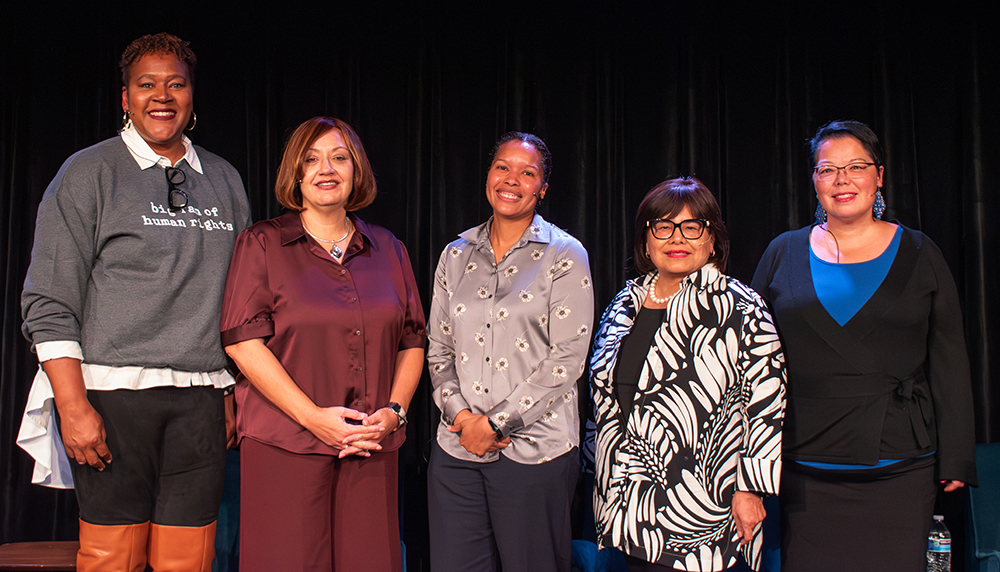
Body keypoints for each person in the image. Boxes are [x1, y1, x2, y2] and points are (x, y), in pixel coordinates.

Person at [18, 33, 251, 571]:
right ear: (126, 97)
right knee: (111, 557)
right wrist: (73, 406)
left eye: (176, 83)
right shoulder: (88, 173)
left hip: (200, 401)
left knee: (188, 558)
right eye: (146, 84)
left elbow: (239, 301)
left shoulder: (223, 179)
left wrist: (229, 391)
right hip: (111, 397)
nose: (161, 96)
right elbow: (49, 299)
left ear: (192, 96)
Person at [751, 120, 978, 571]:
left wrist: (956, 454)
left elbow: (949, 357)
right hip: (804, 466)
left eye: (855, 167)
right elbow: (750, 360)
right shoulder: (783, 252)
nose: (842, 180)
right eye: (827, 169)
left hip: (899, 463)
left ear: (879, 175)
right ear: (814, 181)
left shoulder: (920, 252)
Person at [220, 116, 425, 572]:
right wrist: (314, 419)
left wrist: (394, 414)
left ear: (357, 171)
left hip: (369, 444)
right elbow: (242, 343)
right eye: (311, 159)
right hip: (284, 444)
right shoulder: (262, 244)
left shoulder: (388, 248)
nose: (325, 169)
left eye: (338, 158)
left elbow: (412, 341)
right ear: (295, 173)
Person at [590, 177, 785, 572]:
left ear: (712, 240)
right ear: (647, 239)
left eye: (692, 226)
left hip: (707, 513)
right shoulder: (623, 304)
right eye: (663, 226)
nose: (676, 237)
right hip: (632, 511)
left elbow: (767, 401)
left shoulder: (740, 305)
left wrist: (751, 488)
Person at [426, 132, 594, 572]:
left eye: (527, 172)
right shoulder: (455, 254)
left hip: (534, 453)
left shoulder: (564, 253)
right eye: (502, 166)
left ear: (542, 188)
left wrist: (496, 423)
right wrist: (464, 420)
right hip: (457, 451)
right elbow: (438, 349)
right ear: (488, 175)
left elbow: (568, 359)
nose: (511, 179)